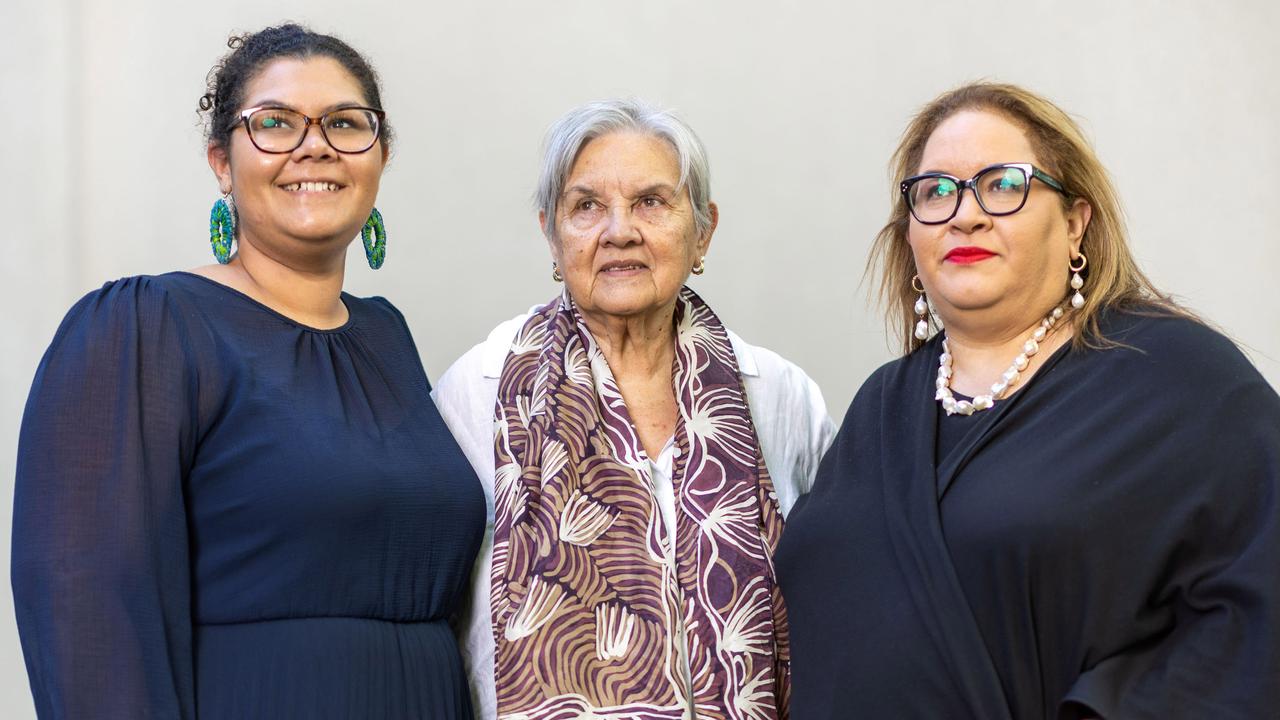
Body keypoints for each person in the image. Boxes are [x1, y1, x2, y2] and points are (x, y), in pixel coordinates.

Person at [12, 24, 484, 719]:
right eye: (274, 123)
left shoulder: (386, 337)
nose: (313, 144)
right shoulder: (147, 327)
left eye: (345, 123)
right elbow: (86, 605)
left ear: (381, 155)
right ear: (222, 163)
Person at [775, 81, 1280, 719]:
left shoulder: (1175, 377)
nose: (965, 214)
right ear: (910, 238)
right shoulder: (883, 404)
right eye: (936, 191)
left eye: (1003, 184)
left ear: (1074, 223)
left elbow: (1260, 602)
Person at [432, 99, 835, 720]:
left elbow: (838, 597)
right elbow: (440, 616)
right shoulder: (478, 390)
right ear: (551, 231)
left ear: (703, 230)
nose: (619, 230)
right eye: (586, 206)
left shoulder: (780, 397)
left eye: (651, 201)